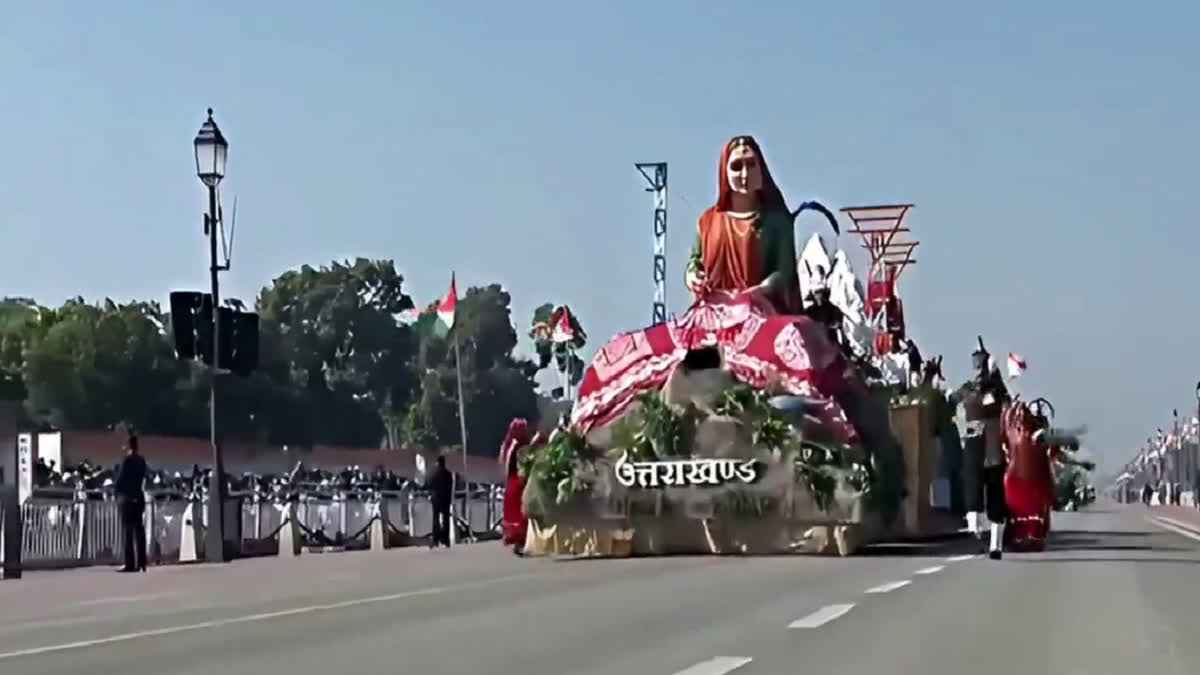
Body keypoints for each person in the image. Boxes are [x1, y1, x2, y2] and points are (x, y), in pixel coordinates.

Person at [950, 340, 1010, 559]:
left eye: (979, 362)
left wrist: (997, 381)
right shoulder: (970, 388)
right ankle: (976, 537)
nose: (977, 366)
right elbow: (951, 400)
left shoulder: (994, 389)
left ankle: (994, 544)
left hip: (989, 445)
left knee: (992, 496)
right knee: (974, 492)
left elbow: (1006, 405)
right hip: (977, 444)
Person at [114, 434, 148, 572]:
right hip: (139, 497)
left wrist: (116, 492)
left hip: (127, 499)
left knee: (128, 532)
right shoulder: (141, 460)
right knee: (139, 530)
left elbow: (121, 480)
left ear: (128, 446)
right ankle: (142, 563)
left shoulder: (127, 461)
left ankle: (130, 563)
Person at [426, 455, 454, 548]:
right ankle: (446, 539)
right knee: (446, 519)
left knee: (436, 519)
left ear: (437, 463)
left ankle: (436, 539)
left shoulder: (433, 473)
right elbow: (450, 487)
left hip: (436, 499)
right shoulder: (448, 474)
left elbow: (429, 486)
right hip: (446, 499)